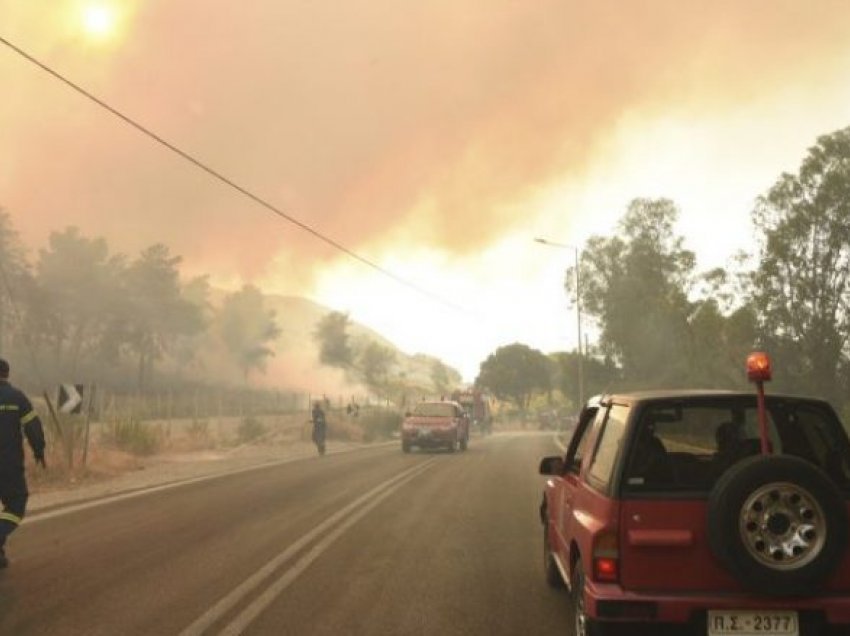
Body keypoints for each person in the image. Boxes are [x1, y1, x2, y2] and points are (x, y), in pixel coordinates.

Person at [0, 358, 46, 568]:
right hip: (7, 465)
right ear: (7, 374)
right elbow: (33, 427)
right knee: (16, 503)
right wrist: (39, 451)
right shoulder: (17, 398)